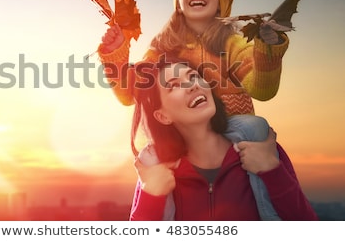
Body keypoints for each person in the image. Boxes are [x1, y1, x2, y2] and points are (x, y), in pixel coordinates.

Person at [98, 0, 291, 219]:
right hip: (181, 134)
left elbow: (262, 90)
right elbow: (130, 93)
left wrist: (267, 51)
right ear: (178, 3)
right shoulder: (162, 46)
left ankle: (272, 220)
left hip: (230, 129)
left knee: (256, 127)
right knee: (152, 155)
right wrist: (116, 57)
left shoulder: (233, 42)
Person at [129, 58, 318, 221]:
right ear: (163, 116)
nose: (193, 85)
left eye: (193, 76)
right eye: (174, 85)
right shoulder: (156, 172)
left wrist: (272, 171)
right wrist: (150, 196)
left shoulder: (261, 146)